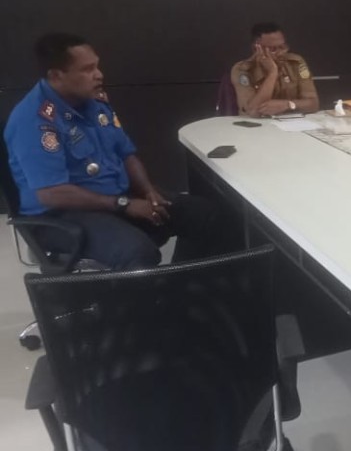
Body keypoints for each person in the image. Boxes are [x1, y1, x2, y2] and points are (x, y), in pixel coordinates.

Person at [4, 33, 228, 270]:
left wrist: (148, 191)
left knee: (203, 215)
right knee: (137, 252)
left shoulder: (94, 102)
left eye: (97, 66)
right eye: (87, 69)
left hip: (113, 197)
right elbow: (52, 194)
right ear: (56, 76)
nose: (99, 74)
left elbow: (125, 153)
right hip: (61, 215)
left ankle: (184, 282)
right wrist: (123, 204)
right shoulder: (35, 120)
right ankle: (143, 294)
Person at [230, 22, 319, 117]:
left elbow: (313, 104)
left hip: (291, 121)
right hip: (256, 124)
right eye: (273, 49)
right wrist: (272, 73)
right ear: (256, 48)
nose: (281, 52)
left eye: (282, 47)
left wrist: (288, 105)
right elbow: (253, 111)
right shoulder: (242, 70)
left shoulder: (295, 63)